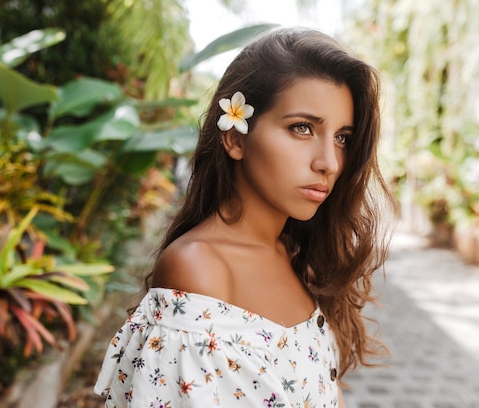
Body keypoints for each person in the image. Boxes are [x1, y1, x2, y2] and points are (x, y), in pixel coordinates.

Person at [94, 27, 394, 407]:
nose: (329, 162)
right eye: (302, 128)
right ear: (235, 138)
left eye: (342, 137)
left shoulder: (295, 254)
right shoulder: (201, 270)